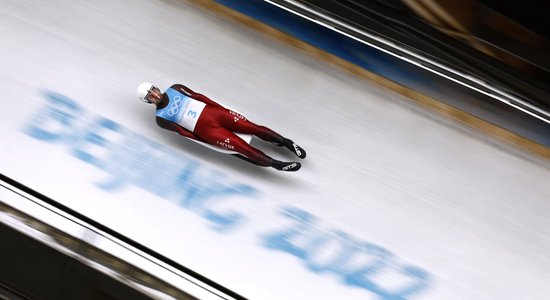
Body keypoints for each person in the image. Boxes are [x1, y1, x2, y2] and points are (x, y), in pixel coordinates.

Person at [137, 82, 306, 171]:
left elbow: (199, 96)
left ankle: (287, 143)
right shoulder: (160, 119)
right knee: (241, 147)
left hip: (215, 113)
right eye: (150, 96)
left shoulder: (176, 88)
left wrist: (222, 109)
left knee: (252, 127)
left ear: (156, 87)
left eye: (153, 90)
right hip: (209, 132)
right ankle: (277, 164)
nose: (154, 94)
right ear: (147, 101)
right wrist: (205, 141)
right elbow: (183, 132)